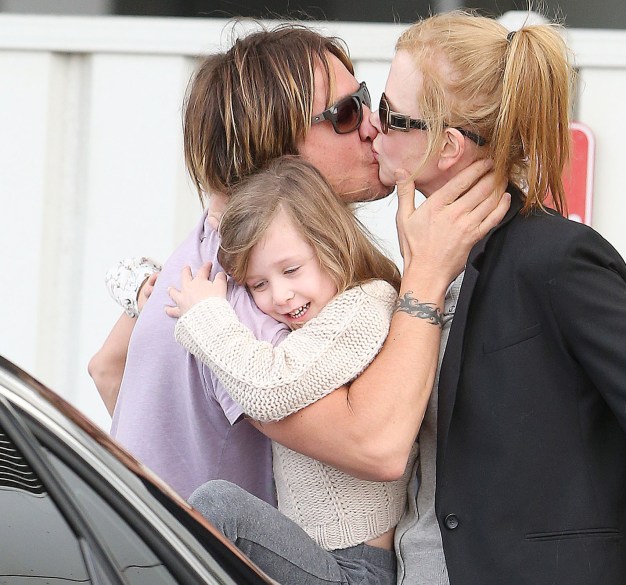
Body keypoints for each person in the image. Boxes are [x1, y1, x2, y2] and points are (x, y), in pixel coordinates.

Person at [365, 10, 626, 585]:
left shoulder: (557, 259)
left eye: (388, 114)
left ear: (446, 146)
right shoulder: (422, 259)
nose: (372, 131)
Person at [89, 22, 507, 503]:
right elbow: (376, 448)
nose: (373, 124)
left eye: (364, 98)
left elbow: (108, 367)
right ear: (275, 146)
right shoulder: (254, 303)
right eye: (346, 114)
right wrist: (426, 276)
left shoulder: (210, 248)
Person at [167, 156, 411, 584]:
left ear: (332, 242)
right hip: (311, 557)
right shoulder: (314, 324)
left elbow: (272, 386)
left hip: (354, 570)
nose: (280, 295)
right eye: (259, 284)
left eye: (291, 270)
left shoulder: (366, 306)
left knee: (220, 506)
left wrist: (206, 316)